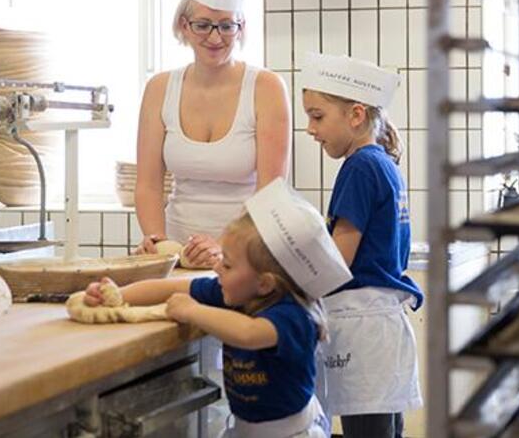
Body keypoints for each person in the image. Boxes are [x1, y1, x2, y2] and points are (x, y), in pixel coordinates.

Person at [84, 179, 352, 438]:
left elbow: (248, 333)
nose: (216, 268)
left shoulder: (293, 316)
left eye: (228, 265)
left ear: (264, 284)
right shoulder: (236, 292)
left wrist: (193, 312)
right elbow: (169, 289)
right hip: (246, 428)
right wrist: (118, 296)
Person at [133, 0, 291, 267]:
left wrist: (222, 248)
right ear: (183, 25)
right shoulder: (160, 89)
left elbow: (271, 192)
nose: (215, 38)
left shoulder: (266, 88)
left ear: (241, 27)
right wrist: (159, 243)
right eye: (203, 25)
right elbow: (148, 184)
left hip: (248, 255)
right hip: (177, 253)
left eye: (226, 26)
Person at [300, 53, 423, 438]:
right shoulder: (383, 163)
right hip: (381, 325)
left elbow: (338, 259)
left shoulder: (359, 167)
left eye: (317, 116)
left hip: (363, 325)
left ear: (355, 115)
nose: (310, 129)